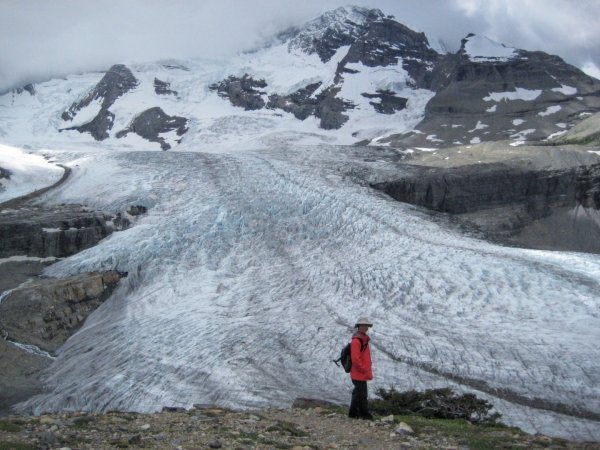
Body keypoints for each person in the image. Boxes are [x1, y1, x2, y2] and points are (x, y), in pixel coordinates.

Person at [348, 316, 374, 420]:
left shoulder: (362, 339)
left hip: (359, 372)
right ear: (358, 326)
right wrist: (363, 369)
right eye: (363, 325)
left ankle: (353, 414)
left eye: (366, 325)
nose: (365, 327)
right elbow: (355, 359)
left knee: (357, 393)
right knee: (362, 395)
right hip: (359, 372)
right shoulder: (357, 341)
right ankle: (365, 415)